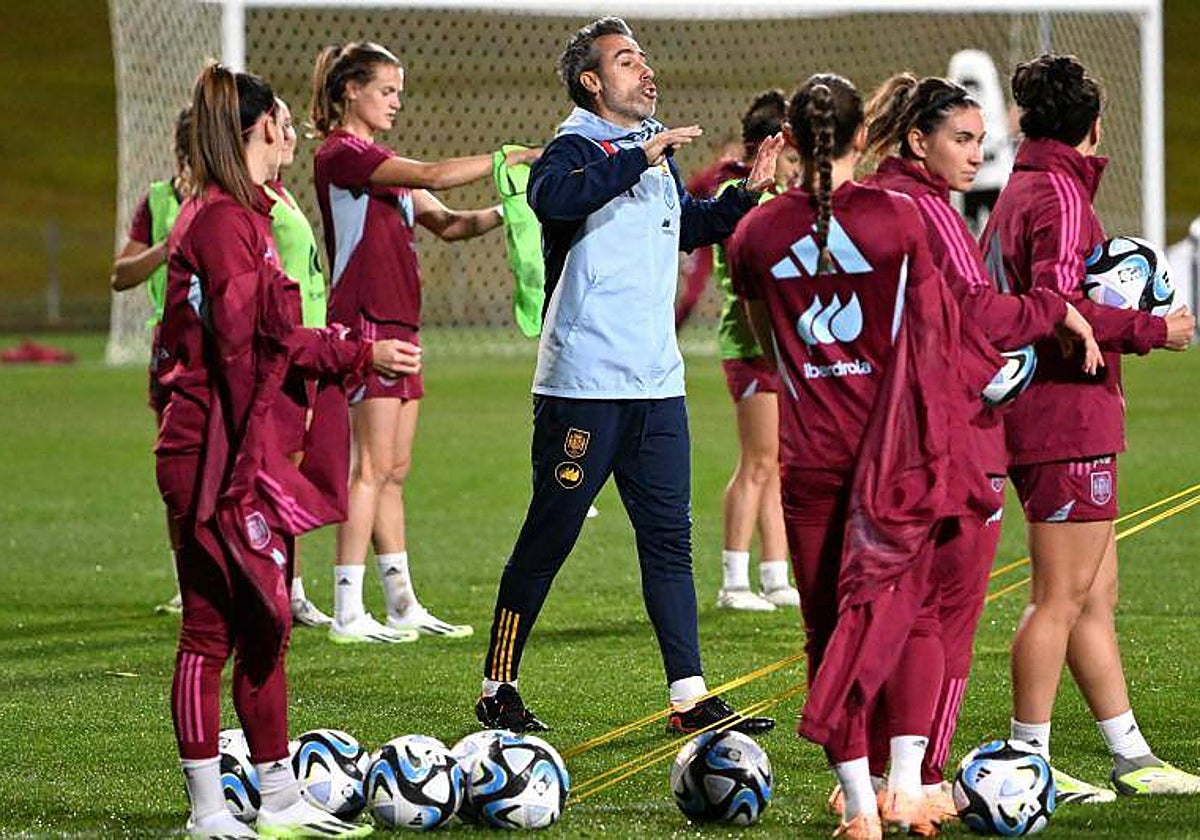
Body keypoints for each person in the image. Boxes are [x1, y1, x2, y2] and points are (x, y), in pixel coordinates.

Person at [474, 16, 781, 736]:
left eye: (643, 58)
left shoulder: (654, 152)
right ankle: (498, 683)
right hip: (583, 384)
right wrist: (639, 156)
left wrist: (742, 197)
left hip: (656, 384)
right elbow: (552, 199)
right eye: (626, 60)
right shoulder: (573, 147)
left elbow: (686, 225)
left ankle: (689, 695)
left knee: (669, 540)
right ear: (592, 81)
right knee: (550, 534)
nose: (645, 71)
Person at [728, 73, 1004, 839]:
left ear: (788, 140)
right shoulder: (899, 219)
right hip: (898, 461)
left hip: (813, 456)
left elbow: (761, 339)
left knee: (827, 629)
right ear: (861, 137)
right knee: (912, 616)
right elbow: (937, 326)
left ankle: (857, 805)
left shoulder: (754, 234)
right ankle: (908, 788)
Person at [157, 62, 418, 837]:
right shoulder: (218, 223)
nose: (294, 135)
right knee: (211, 631)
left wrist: (340, 355)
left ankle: (277, 797)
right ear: (263, 128)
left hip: (250, 452)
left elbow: (260, 340)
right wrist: (349, 354)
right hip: (216, 458)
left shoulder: (251, 217)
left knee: (267, 626)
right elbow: (248, 344)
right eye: (283, 123)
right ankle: (209, 809)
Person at [860, 72, 1104, 820]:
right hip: (953, 441)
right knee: (945, 615)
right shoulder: (928, 209)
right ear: (917, 139)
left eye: (981, 143)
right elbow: (980, 315)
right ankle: (924, 778)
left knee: (886, 613)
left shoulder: (874, 201)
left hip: (877, 438)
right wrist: (1052, 308)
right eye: (962, 141)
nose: (974, 157)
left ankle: (872, 779)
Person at [980, 53, 1199, 801]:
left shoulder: (1024, 189)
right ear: (1095, 124)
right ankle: (1025, 763)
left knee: (1093, 595)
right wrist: (1150, 328)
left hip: (1051, 410)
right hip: (1061, 414)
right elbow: (1056, 303)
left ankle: (1130, 754)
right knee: (1058, 597)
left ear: (1024, 119)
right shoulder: (1062, 197)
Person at [309, 42, 538, 643]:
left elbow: (452, 224)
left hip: (402, 324)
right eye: (386, 91)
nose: (396, 102)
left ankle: (402, 603)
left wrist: (519, 206)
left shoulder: (386, 165)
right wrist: (507, 157)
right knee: (370, 468)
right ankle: (347, 610)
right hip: (365, 326)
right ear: (351, 91)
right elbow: (435, 174)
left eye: (399, 93)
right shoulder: (343, 155)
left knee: (395, 472)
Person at [707, 90, 801, 612]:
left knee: (776, 463)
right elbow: (751, 286)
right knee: (756, 462)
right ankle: (734, 581)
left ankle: (774, 574)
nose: (794, 169)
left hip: (776, 348)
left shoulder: (777, 202)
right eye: (790, 157)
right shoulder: (740, 196)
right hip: (751, 346)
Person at [111, 106, 192, 616]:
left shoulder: (243, 196)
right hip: (172, 351)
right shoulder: (159, 201)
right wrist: (167, 247)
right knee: (178, 473)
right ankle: (189, 581)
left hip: (227, 346)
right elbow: (120, 274)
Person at [262, 96, 336, 629]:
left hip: (304, 356)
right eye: (282, 125)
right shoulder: (253, 204)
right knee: (270, 477)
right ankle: (273, 587)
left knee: (288, 476)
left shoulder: (281, 193)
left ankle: (287, 586)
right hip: (281, 359)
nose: (291, 134)